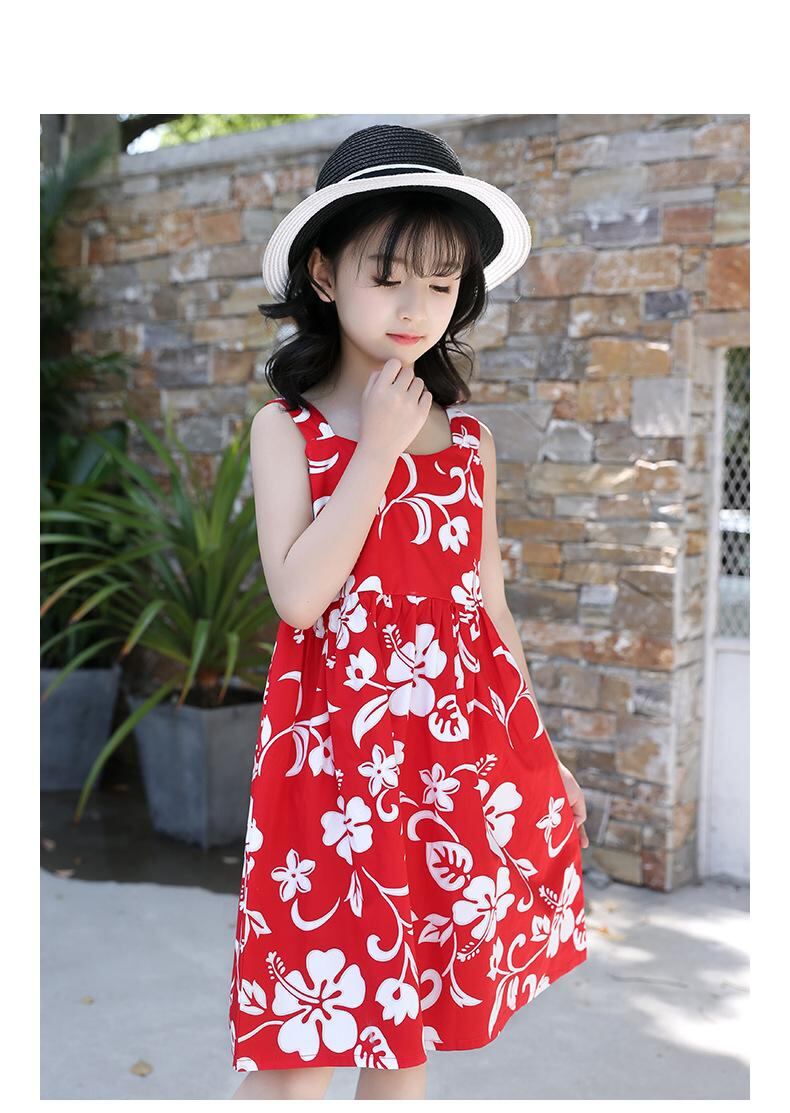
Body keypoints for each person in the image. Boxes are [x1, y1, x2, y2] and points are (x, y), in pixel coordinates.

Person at [228, 124, 589, 1102]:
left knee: (405, 1043)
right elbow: (299, 596)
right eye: (387, 276)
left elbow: (488, 605)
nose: (413, 307)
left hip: (449, 765)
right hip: (330, 773)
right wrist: (380, 445)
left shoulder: (469, 441)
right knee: (299, 1050)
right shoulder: (287, 430)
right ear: (323, 272)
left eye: (438, 282)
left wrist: (541, 753)